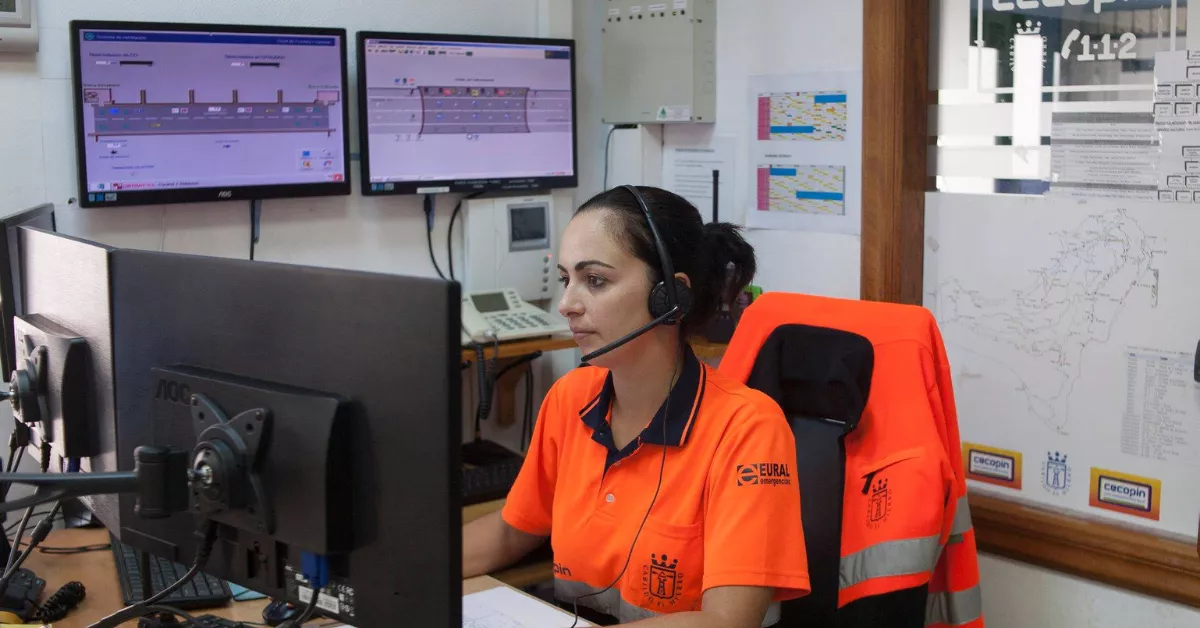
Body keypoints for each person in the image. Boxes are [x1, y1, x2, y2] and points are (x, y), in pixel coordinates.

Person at [462, 186, 809, 626]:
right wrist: (403, 570)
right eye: (567, 279)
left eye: (596, 280)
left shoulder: (746, 428)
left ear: (670, 297)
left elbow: (728, 621)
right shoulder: (570, 399)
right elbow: (512, 531)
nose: (567, 304)